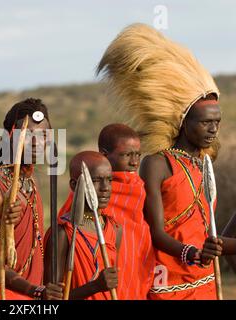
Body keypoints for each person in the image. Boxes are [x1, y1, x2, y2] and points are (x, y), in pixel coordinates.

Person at [96, 23, 236, 299]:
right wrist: (192, 253)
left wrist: (216, 247)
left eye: (217, 122)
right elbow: (157, 232)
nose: (213, 129)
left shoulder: (203, 164)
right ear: (184, 123)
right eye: (205, 123)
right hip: (168, 281)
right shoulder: (158, 163)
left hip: (205, 279)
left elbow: (208, 232)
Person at [0, 98, 63, 300]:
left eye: (43, 135)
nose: (37, 142)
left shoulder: (31, 181)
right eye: (28, 134)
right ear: (9, 137)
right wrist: (34, 290)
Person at [44, 151, 121, 300]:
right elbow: (52, 299)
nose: (106, 188)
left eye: (109, 180)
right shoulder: (62, 233)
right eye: (96, 180)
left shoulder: (114, 229)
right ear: (74, 184)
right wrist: (95, 287)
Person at [98, 123, 155, 299]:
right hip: (105, 275)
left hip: (135, 267)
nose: (134, 162)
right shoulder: (93, 190)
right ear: (104, 156)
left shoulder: (139, 187)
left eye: (138, 154)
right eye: (126, 155)